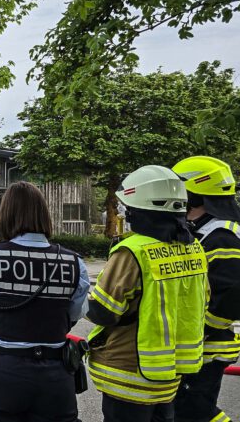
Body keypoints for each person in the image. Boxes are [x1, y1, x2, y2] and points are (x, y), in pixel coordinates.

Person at [0, 181, 90, 421]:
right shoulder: (74, 262)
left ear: (5, 215)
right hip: (55, 374)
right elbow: (75, 313)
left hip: (1, 370)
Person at [86, 165, 208, 421]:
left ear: (138, 209)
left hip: (129, 372)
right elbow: (203, 300)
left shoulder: (133, 250)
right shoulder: (194, 248)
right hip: (168, 373)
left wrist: (77, 298)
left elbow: (104, 312)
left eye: (127, 207)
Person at [172, 156, 240, 422]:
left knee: (194, 413)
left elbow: (233, 295)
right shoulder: (202, 230)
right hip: (195, 347)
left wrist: (203, 328)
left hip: (207, 348)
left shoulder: (221, 235)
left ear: (193, 194)